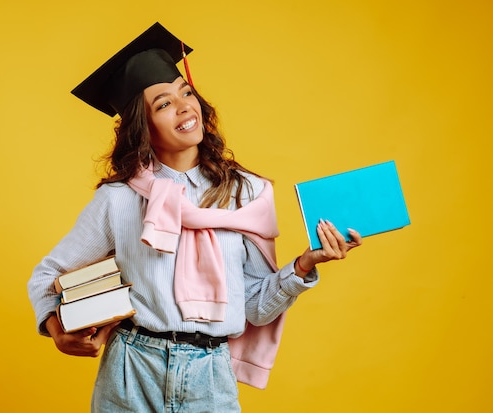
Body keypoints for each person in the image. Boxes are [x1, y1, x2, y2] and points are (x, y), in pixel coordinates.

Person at [27, 22, 362, 412]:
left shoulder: (247, 194)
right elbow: (46, 276)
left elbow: (254, 305)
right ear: (143, 126)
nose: (185, 106)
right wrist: (55, 327)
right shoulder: (119, 200)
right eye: (163, 103)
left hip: (211, 377)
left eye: (186, 93)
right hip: (131, 370)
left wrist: (304, 266)